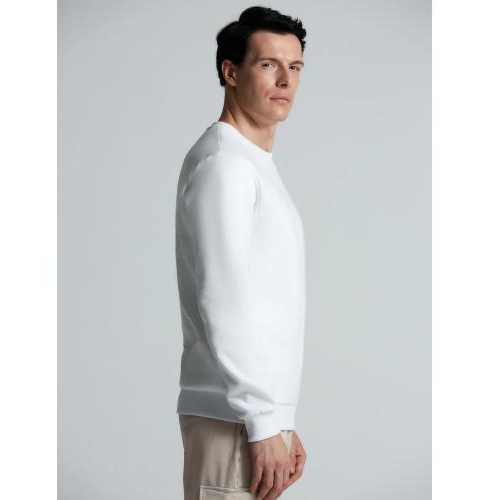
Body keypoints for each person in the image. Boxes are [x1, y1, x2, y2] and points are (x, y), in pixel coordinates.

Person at [174, 6, 308, 499]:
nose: (285, 80)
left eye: (294, 67)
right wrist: (262, 420)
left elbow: (265, 300)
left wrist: (280, 418)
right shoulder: (224, 166)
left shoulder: (250, 163)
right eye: (268, 64)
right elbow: (224, 298)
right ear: (230, 72)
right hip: (233, 421)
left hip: (248, 419)